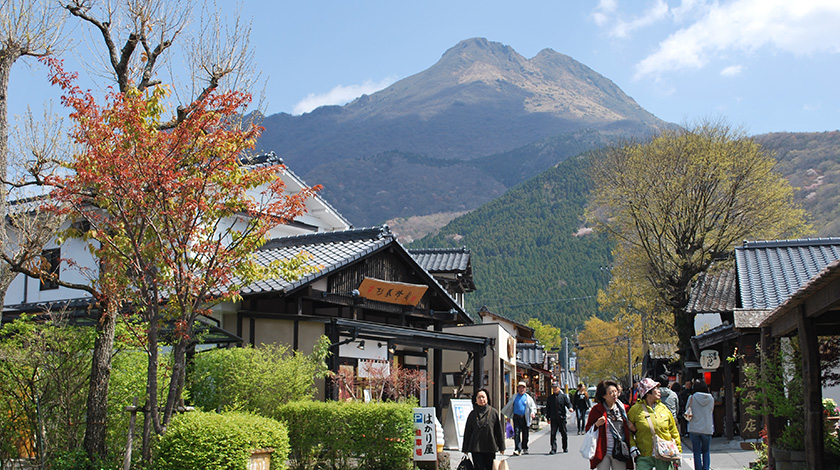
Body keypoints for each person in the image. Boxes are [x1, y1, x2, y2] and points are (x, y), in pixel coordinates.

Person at [627, 377, 681, 470]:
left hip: (665, 454)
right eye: (655, 388)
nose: (659, 391)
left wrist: (678, 450)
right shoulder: (635, 410)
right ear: (647, 393)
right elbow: (628, 432)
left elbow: (673, 431)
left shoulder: (664, 409)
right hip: (644, 454)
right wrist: (632, 446)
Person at [585, 380, 635, 470]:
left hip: (620, 451)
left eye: (615, 391)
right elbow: (588, 429)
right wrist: (596, 424)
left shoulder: (625, 409)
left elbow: (632, 430)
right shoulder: (596, 410)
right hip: (603, 451)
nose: (614, 394)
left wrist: (632, 428)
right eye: (611, 392)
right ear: (603, 396)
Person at [462, 388, 506, 470]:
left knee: (489, 468)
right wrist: (465, 448)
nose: (481, 399)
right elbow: (467, 432)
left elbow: (499, 431)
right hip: (476, 448)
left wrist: (501, 447)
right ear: (475, 400)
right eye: (479, 397)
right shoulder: (472, 414)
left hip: (490, 447)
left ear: (487, 398)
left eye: (483, 397)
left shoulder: (493, 412)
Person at [501, 381, 537, 455]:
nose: (521, 389)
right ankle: (517, 449)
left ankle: (525, 447)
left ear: (525, 389)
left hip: (525, 417)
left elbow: (532, 406)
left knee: (525, 433)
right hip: (516, 417)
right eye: (520, 387)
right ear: (518, 389)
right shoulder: (515, 396)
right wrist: (508, 416)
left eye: (523, 388)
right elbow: (510, 407)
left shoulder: (528, 398)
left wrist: (533, 413)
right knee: (516, 433)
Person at [686, 379, 714, 470]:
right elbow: (711, 410)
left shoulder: (692, 397)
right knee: (706, 451)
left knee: (696, 451)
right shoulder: (710, 398)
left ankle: (698, 468)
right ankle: (706, 468)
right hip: (707, 427)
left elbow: (687, 409)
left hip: (694, 427)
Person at [545, 383, 573, 454]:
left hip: (562, 418)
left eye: (556, 387)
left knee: (564, 433)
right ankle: (553, 449)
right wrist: (548, 417)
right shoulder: (550, 398)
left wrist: (570, 408)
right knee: (553, 434)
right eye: (553, 388)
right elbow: (548, 408)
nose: (555, 389)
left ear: (559, 388)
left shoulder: (563, 397)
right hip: (553, 418)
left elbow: (568, 403)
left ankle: (565, 447)